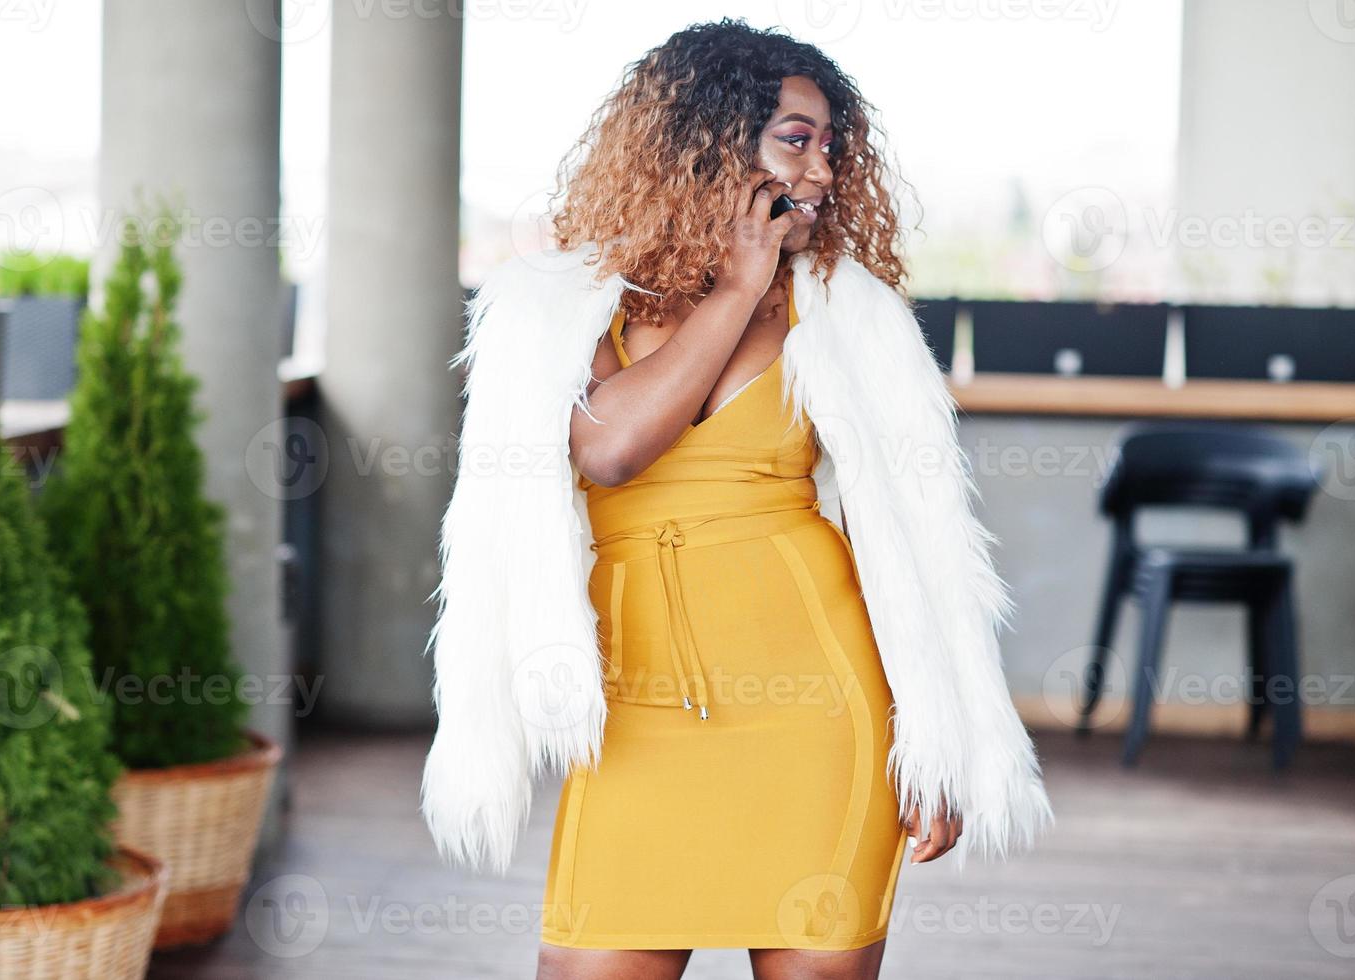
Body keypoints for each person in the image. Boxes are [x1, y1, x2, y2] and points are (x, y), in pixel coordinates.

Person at [420, 18, 1054, 980]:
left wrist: (941, 737)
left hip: (820, 706)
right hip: (635, 714)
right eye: (794, 139)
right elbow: (610, 448)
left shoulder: (847, 313)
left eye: (830, 147)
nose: (819, 171)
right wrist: (734, 289)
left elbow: (923, 544)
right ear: (705, 139)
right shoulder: (563, 301)